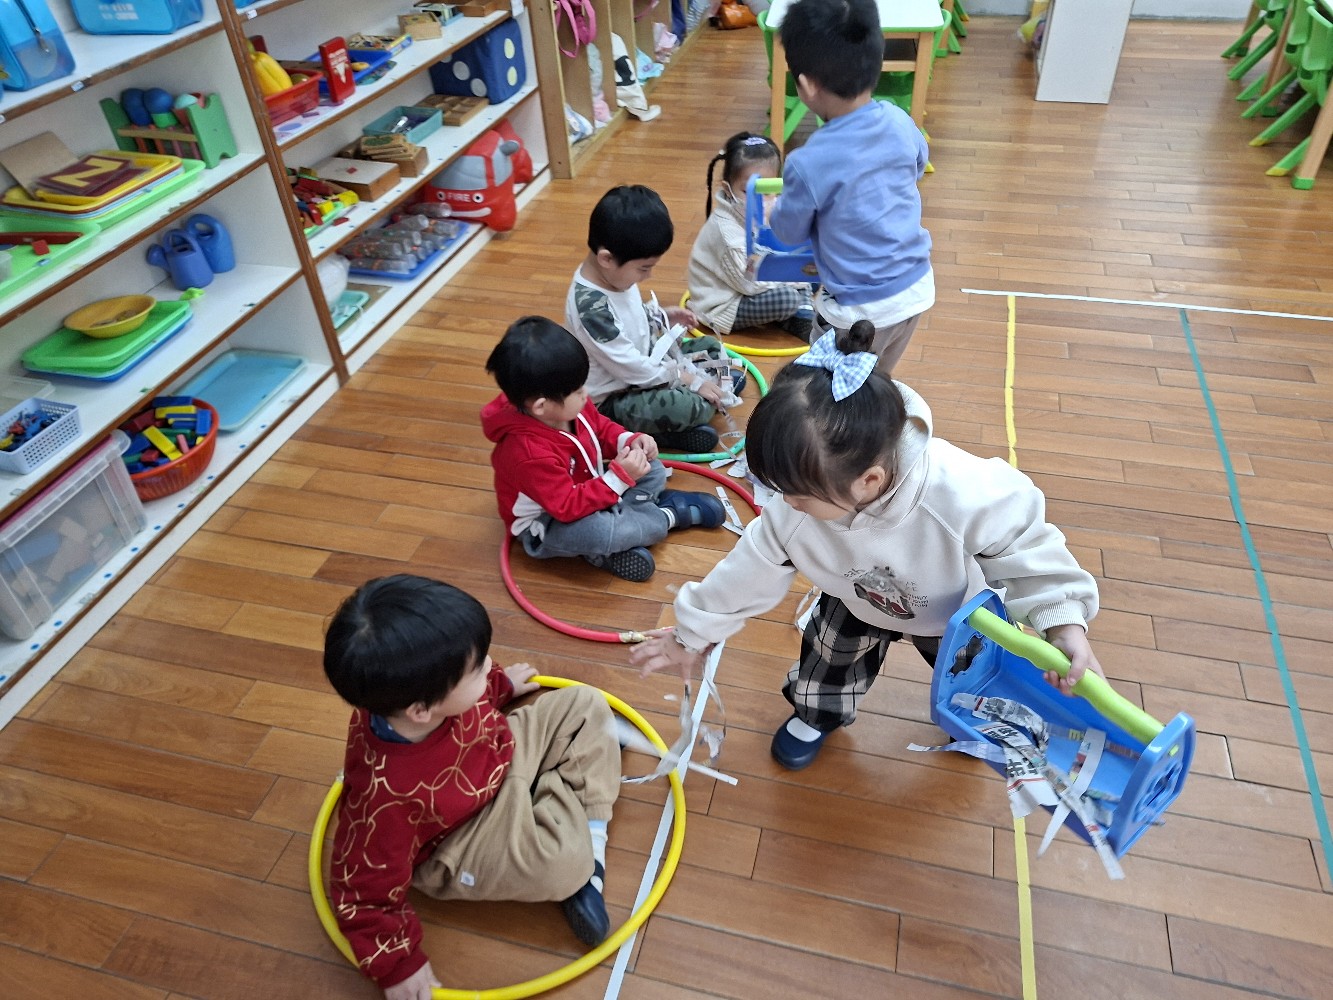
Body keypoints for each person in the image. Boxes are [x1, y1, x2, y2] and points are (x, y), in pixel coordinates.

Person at [629, 322, 1102, 771]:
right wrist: (690, 635)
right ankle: (818, 715)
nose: (785, 504)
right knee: (826, 666)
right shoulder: (794, 512)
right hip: (856, 598)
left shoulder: (960, 490)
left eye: (798, 494)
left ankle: (972, 721)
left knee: (976, 680)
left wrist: (1062, 623)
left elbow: (1026, 546)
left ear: (869, 481)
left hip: (957, 612)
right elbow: (745, 572)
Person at [324, 574, 624, 999]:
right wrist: (398, 966)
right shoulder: (384, 799)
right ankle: (583, 851)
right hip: (459, 836)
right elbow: (360, 893)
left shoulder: (420, 696)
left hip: (493, 754)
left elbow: (477, 698)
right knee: (565, 865)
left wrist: (500, 686)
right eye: (479, 668)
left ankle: (574, 817)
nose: (490, 664)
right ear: (421, 710)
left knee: (586, 703)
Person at [481, 315, 726, 583]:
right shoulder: (527, 454)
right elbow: (567, 506)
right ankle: (665, 516)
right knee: (603, 532)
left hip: (590, 482)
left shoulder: (567, 405)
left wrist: (629, 440)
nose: (585, 393)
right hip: (549, 522)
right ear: (541, 406)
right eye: (577, 391)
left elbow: (600, 427)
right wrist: (619, 478)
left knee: (651, 466)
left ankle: (628, 522)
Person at [768, 0, 935, 374]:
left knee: (828, 389)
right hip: (914, 289)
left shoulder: (808, 162)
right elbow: (917, 166)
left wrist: (774, 210)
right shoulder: (900, 121)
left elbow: (789, 232)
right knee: (875, 381)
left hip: (858, 311)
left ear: (807, 85)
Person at [566, 184, 743, 456]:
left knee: (710, 347)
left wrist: (662, 314)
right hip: (615, 398)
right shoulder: (591, 308)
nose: (648, 276)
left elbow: (629, 315)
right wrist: (688, 379)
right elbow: (631, 368)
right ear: (606, 259)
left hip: (645, 366)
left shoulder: (613, 277)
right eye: (644, 268)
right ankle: (660, 433)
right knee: (689, 405)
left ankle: (712, 392)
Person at [686, 131, 815, 342]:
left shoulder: (763, 209)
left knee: (807, 267)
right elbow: (748, 284)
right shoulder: (726, 232)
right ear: (728, 189)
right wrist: (792, 279)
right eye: (749, 191)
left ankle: (800, 312)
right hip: (727, 301)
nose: (760, 200)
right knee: (789, 295)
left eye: (768, 190)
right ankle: (797, 314)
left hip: (754, 276)